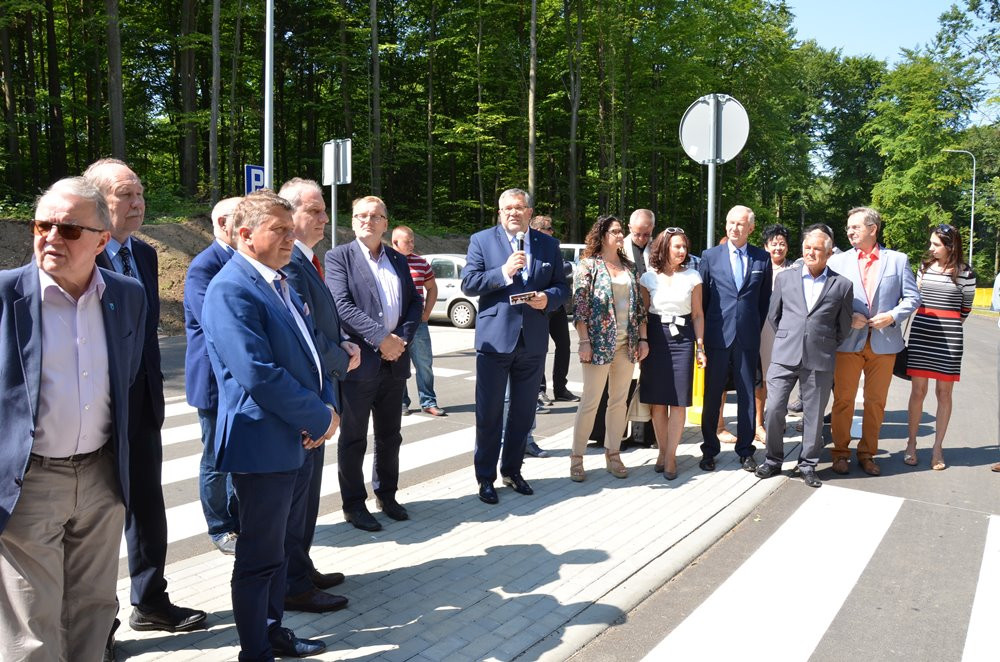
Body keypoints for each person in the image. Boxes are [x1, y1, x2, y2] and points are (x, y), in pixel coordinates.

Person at [0, 178, 146, 661]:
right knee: (31, 625)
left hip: (102, 476)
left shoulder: (127, 295)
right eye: (43, 225)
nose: (51, 238)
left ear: (103, 240)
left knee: (94, 610)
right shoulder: (5, 296)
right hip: (30, 480)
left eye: (68, 229)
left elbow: (124, 383)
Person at [203, 190, 340, 660]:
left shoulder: (279, 280)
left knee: (278, 551)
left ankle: (272, 630)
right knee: (259, 557)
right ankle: (254, 650)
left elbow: (309, 352)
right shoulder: (232, 288)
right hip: (261, 442)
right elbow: (258, 373)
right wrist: (320, 414)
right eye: (278, 230)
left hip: (294, 436)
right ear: (245, 235)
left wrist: (322, 405)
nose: (290, 237)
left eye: (289, 228)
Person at [84, 158, 207, 632]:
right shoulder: (80, 254)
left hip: (143, 403)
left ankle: (151, 601)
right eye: (124, 195)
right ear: (98, 202)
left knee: (148, 508)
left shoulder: (146, 255)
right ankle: (97, 624)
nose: (137, 203)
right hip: (92, 407)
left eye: (139, 194)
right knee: (93, 519)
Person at [279, 178, 360, 611]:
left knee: (308, 494)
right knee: (296, 498)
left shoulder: (308, 259)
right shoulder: (289, 261)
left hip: (322, 385)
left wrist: (340, 343)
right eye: (314, 210)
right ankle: (292, 583)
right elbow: (302, 334)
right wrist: (338, 354)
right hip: (310, 393)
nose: (325, 218)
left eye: (323, 209)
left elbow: (321, 323)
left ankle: (300, 566)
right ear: (289, 214)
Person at [461, 188, 570, 504]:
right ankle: (485, 478)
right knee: (490, 414)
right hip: (495, 340)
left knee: (523, 413)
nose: (513, 213)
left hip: (533, 340)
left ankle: (512, 470)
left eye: (519, 207)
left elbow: (562, 287)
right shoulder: (482, 241)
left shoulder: (547, 244)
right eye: (507, 208)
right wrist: (503, 273)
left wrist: (547, 299)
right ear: (499, 213)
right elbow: (469, 283)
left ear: (529, 212)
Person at [326, 196, 422, 531]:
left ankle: (387, 494)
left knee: (389, 435)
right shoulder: (339, 257)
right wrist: (382, 339)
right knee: (353, 438)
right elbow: (341, 305)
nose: (367, 220)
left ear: (385, 222)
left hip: (394, 361)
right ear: (352, 221)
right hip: (360, 362)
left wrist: (402, 340)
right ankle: (354, 504)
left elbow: (415, 301)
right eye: (361, 216)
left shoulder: (397, 258)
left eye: (375, 216)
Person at [754, 224, 854, 488]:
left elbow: (843, 328)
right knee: (774, 408)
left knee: (814, 415)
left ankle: (807, 464)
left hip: (819, 357)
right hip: (785, 355)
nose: (811, 253)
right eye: (807, 248)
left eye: (817, 249)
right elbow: (774, 316)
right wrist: (791, 337)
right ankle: (773, 460)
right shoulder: (786, 278)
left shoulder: (842, 285)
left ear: (829, 253)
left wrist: (820, 342)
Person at [828, 207, 920, 476]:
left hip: (884, 342)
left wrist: (891, 315)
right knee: (843, 400)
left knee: (876, 401)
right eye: (848, 227)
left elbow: (912, 298)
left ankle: (867, 453)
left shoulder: (898, 260)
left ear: (873, 228)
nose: (849, 231)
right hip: (848, 342)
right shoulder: (839, 262)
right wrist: (848, 317)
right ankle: (840, 453)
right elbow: (829, 301)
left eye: (855, 227)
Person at [569, 215, 648, 481]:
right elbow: (580, 308)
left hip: (627, 345)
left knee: (618, 402)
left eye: (619, 231)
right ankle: (577, 458)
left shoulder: (629, 267)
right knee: (591, 402)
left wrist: (643, 340)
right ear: (602, 235)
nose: (619, 235)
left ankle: (613, 453)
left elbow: (639, 310)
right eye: (614, 231)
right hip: (598, 344)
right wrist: (584, 341)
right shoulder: (588, 266)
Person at [183, 196, 242, 555]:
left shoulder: (241, 260)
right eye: (242, 218)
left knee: (239, 454)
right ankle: (220, 527)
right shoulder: (205, 266)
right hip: (212, 381)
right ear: (223, 224)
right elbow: (219, 322)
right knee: (216, 458)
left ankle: (239, 519)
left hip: (237, 380)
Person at [697, 205, 772, 472]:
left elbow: (763, 302)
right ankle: (709, 450)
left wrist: (749, 328)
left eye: (740, 224)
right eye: (730, 223)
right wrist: (703, 340)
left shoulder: (762, 259)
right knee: (712, 395)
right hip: (717, 337)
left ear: (750, 228)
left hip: (747, 338)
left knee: (747, 396)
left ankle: (746, 451)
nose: (734, 228)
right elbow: (702, 301)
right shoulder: (710, 256)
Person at [903, 224, 976, 471]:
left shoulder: (966, 273)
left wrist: (948, 323)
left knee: (944, 394)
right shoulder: (923, 268)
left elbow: (965, 308)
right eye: (931, 243)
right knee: (917, 392)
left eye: (936, 244)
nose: (931, 248)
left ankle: (937, 447)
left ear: (950, 246)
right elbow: (915, 298)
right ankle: (911, 443)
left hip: (950, 337)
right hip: (922, 333)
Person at [639, 227, 705, 480]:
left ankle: (670, 456)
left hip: (683, 338)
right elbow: (642, 314)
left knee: (678, 400)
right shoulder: (648, 278)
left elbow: (698, 314)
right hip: (655, 337)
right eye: (677, 246)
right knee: (658, 401)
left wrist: (700, 346)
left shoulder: (693, 276)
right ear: (664, 247)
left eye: (684, 247)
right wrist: (643, 340)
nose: (682, 251)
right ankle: (662, 450)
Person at [391, 225, 447, 416]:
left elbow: (432, 288)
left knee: (424, 363)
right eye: (408, 241)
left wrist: (426, 313)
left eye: (413, 240)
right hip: (395, 325)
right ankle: (401, 402)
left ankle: (428, 401)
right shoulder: (387, 260)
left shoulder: (421, 263)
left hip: (419, 324)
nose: (412, 244)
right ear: (395, 242)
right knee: (398, 365)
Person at [530, 215, 577, 406]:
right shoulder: (529, 249)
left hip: (556, 307)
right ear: (539, 230)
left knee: (564, 346)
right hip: (537, 308)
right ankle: (540, 390)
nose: (552, 232)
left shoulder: (552, 247)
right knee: (540, 349)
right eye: (549, 228)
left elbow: (564, 271)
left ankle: (560, 388)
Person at [755, 223, 793, 441]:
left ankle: (776, 416)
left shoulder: (794, 269)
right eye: (773, 244)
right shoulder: (759, 266)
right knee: (760, 376)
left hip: (784, 328)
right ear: (765, 245)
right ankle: (758, 421)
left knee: (779, 376)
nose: (777, 248)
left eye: (782, 244)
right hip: (761, 327)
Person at [623, 209, 656, 445]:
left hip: (652, 318)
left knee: (648, 376)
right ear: (629, 228)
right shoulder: (619, 247)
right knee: (624, 378)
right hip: (625, 318)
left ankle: (645, 433)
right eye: (638, 234)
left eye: (647, 234)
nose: (642, 239)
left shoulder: (658, 248)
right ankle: (618, 432)